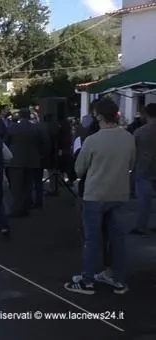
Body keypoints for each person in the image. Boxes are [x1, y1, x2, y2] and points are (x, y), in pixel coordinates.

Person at [64, 97, 134, 295]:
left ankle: (87, 281)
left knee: (92, 240)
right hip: (119, 194)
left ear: (99, 116)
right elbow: (131, 164)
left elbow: (79, 170)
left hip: (95, 195)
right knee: (117, 239)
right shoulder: (128, 137)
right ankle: (116, 278)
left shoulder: (92, 140)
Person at [5, 108, 46, 217]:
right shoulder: (36, 128)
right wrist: (39, 155)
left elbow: (6, 142)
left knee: (16, 186)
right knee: (28, 185)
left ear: (20, 116)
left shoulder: (13, 128)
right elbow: (44, 144)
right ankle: (26, 207)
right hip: (32, 161)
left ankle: (17, 208)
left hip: (16, 161)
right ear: (29, 116)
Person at [131, 103, 156, 235]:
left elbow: (131, 151)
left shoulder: (140, 132)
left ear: (146, 114)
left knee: (144, 201)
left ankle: (141, 226)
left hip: (143, 169)